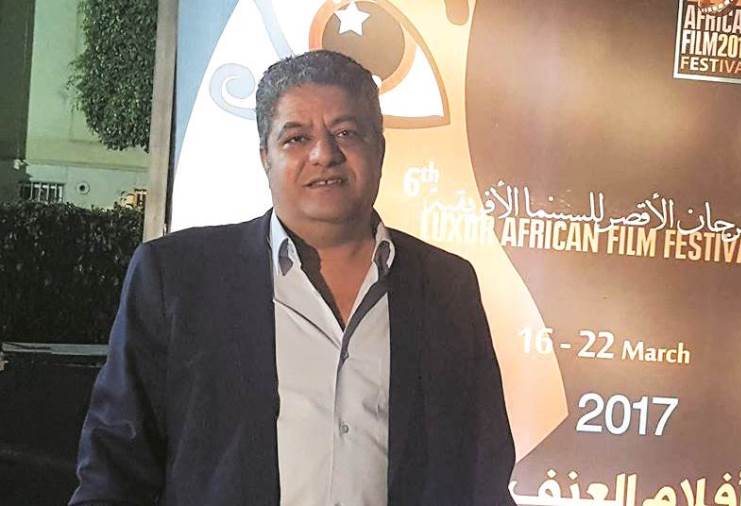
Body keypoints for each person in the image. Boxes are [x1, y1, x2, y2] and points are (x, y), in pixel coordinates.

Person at [69, 50, 516, 506]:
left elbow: (482, 471)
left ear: (379, 149)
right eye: (297, 138)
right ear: (265, 157)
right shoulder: (177, 278)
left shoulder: (445, 287)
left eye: (346, 133)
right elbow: (114, 465)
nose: (324, 154)